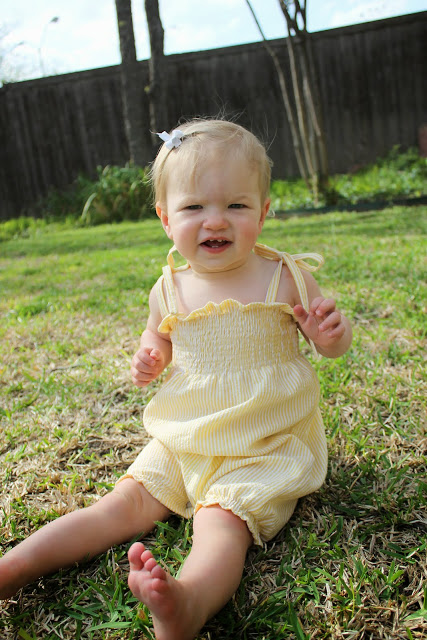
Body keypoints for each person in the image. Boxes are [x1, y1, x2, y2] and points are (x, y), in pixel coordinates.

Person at [0, 118, 352, 640]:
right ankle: (15, 567)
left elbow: (331, 348)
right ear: (166, 219)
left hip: (263, 443)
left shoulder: (284, 277)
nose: (216, 220)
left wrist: (329, 335)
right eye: (194, 208)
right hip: (185, 437)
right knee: (120, 505)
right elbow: (157, 340)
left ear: (263, 212)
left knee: (220, 522)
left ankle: (188, 603)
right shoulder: (167, 289)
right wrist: (150, 357)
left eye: (236, 205)